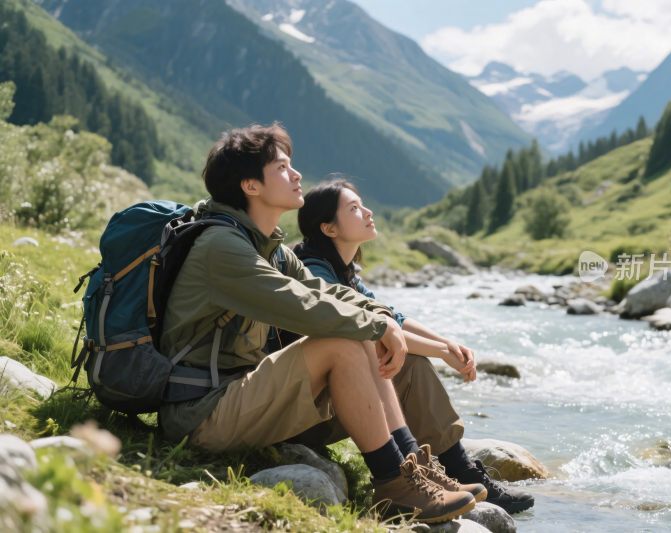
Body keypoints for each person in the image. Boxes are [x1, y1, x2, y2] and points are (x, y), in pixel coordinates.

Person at [158, 123, 485, 523]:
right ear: (251, 186)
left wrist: (382, 319)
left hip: (242, 399)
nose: (296, 174)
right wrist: (378, 327)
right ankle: (393, 484)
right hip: (201, 414)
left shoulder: (272, 250)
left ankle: (411, 468)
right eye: (282, 168)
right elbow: (304, 305)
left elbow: (326, 292)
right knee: (343, 340)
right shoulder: (222, 247)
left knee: (360, 331)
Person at [290, 178, 536, 514]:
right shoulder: (314, 272)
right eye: (354, 208)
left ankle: (452, 470)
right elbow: (374, 330)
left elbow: (393, 318)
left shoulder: (344, 272)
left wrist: (446, 343)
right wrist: (441, 352)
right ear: (329, 228)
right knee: (405, 358)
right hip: (306, 413)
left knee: (414, 361)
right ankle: (434, 473)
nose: (368, 212)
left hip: (331, 401)